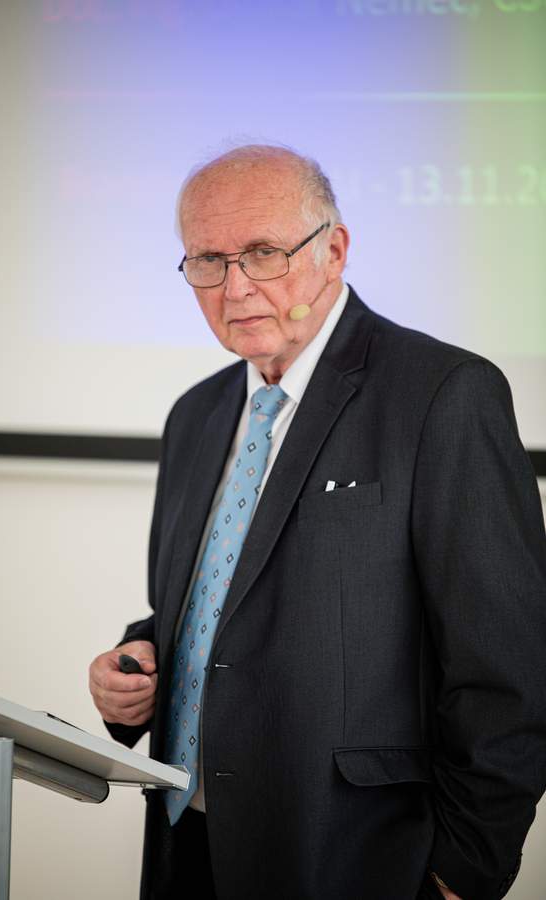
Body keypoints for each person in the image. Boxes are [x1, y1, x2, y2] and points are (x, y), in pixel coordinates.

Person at [89, 145, 546, 900]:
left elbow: (507, 662)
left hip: (357, 853)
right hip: (185, 842)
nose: (235, 287)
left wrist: (464, 870)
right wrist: (139, 661)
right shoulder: (195, 415)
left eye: (263, 253)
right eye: (207, 260)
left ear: (332, 250)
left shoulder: (444, 394)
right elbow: (219, 603)